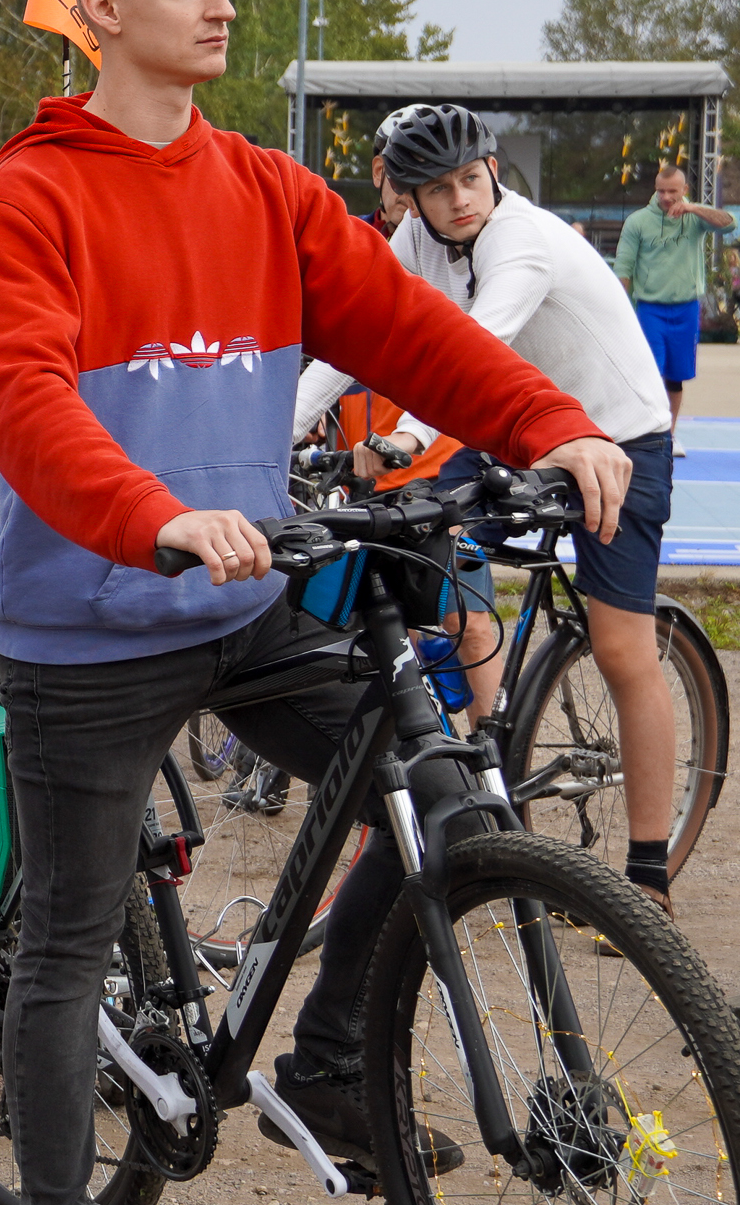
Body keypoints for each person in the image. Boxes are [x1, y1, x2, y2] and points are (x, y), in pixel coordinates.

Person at [0, 0, 625, 1205]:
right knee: (66, 939)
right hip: (92, 626)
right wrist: (153, 515)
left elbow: (413, 335)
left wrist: (549, 424)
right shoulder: (29, 197)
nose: (222, 4)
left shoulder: (262, 190)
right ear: (104, 10)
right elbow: (24, 403)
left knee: (436, 795)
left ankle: (323, 1071)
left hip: (245, 610)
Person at [290, 104, 681, 908]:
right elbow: (354, 335)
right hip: (516, 427)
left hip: (618, 438)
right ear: (409, 197)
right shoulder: (415, 242)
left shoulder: (523, 241)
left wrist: (403, 435)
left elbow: (472, 351)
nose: (461, 200)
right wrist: (278, 429)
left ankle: (649, 875)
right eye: (438, 189)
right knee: (409, 550)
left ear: (494, 171)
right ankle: (473, 753)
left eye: (472, 179)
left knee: (621, 649)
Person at [612, 164, 733, 451]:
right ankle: (643, 433)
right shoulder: (638, 221)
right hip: (650, 308)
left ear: (684, 191)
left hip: (686, 308)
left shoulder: (695, 218)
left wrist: (692, 209)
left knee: (676, 377)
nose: (666, 197)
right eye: (661, 191)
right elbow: (623, 267)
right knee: (649, 373)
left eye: (672, 192)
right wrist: (619, 309)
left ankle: (670, 434)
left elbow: (728, 223)